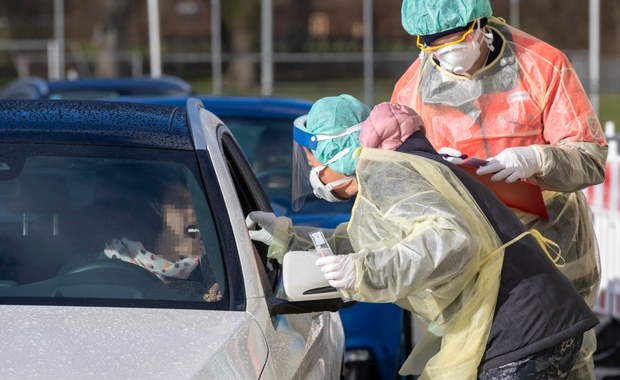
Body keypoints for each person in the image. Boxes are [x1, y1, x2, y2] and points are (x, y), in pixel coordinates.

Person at [245, 94, 599, 379]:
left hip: (522, 329)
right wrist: (287, 239)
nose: (316, 176)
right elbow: (365, 241)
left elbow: (451, 240)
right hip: (533, 322)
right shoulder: (402, 165)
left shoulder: (390, 176)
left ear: (337, 155)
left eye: (315, 165)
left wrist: (365, 272)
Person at [392, 1, 608, 377]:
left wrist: (538, 160)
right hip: (473, 270)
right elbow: (404, 186)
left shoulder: (542, 66)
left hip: (557, 259)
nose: (444, 54)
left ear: (479, 25)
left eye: (453, 40)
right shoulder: (413, 91)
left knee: (566, 364)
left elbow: (591, 158)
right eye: (431, 45)